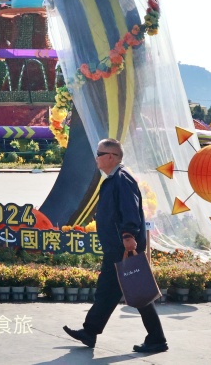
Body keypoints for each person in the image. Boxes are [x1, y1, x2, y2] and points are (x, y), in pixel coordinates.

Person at [63, 138, 167, 354]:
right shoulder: (113, 179)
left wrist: (129, 236)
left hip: (122, 247)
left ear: (111, 157)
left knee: (134, 290)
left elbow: (130, 209)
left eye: (100, 154)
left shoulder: (121, 179)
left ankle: (156, 338)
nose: (97, 158)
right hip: (116, 247)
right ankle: (90, 331)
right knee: (112, 291)